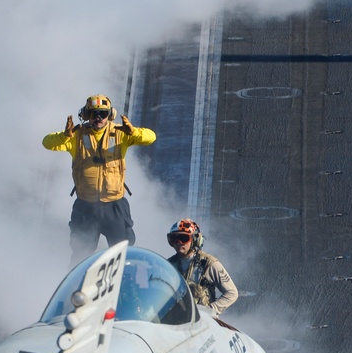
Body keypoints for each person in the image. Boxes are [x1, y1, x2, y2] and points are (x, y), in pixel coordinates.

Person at [42, 94, 157, 263]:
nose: (98, 118)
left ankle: (122, 283)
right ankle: (79, 285)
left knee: (123, 252)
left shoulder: (121, 133)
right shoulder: (75, 136)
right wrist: (64, 136)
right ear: (86, 114)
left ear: (110, 115)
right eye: (94, 113)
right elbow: (47, 142)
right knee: (81, 252)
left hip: (114, 205)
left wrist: (133, 132)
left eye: (103, 114)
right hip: (86, 206)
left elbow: (151, 137)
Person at [166, 219, 239, 316]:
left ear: (195, 239)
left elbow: (232, 293)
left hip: (202, 325)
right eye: (174, 238)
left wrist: (210, 310)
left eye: (183, 238)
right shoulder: (169, 265)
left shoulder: (208, 263)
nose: (178, 242)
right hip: (174, 322)